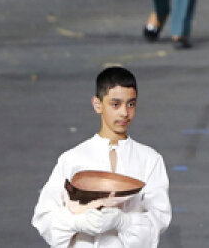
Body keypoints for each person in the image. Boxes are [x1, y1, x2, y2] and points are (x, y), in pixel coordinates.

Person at [32, 66, 171, 246]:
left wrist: (123, 221)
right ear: (98, 105)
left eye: (131, 104)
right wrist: (77, 222)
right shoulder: (72, 158)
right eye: (115, 104)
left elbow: (159, 219)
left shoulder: (150, 160)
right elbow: (44, 216)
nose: (124, 113)